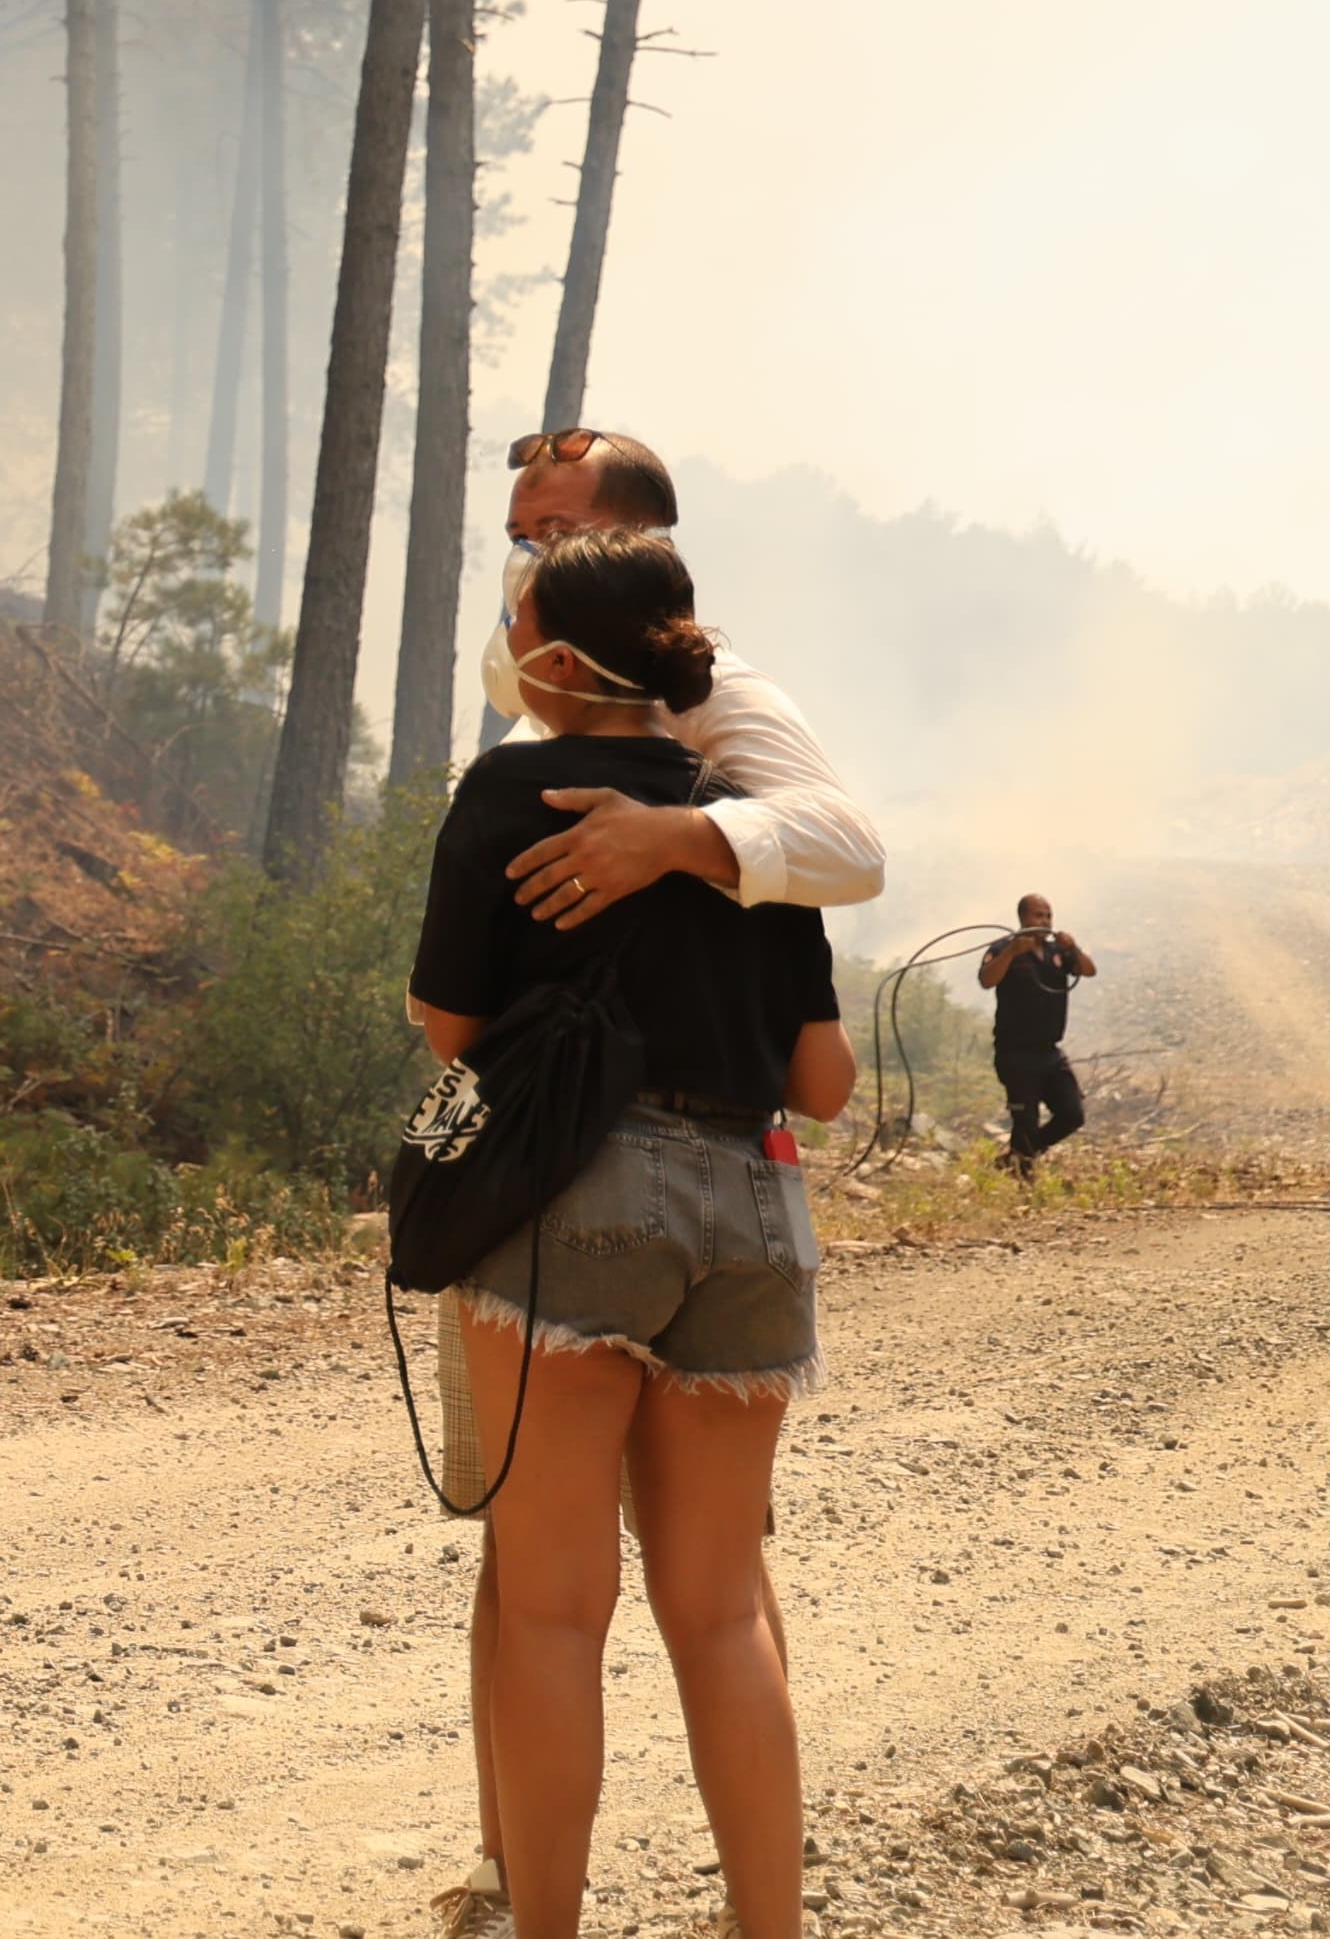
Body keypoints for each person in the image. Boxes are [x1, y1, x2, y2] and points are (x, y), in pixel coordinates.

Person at [411, 528, 856, 1939]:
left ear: (548, 658)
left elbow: (446, 1026)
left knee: (551, 1608)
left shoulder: (503, 790)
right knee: (719, 1614)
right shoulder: (741, 820)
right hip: (748, 1213)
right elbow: (821, 1082)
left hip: (571, 1202)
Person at [481, 429, 886, 929]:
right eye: (518, 537)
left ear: (642, 546)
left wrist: (669, 837)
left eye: (557, 532)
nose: (526, 559)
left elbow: (852, 850)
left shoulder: (714, 693)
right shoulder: (533, 729)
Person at [980, 895, 1097, 1172]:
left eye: (1048, 916)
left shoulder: (1058, 950)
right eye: (1038, 916)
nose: (1044, 922)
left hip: (1049, 1052)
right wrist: (1011, 953)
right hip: (1015, 1053)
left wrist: (1075, 948)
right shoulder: (1003, 948)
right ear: (1023, 919)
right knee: (1025, 1120)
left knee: (1072, 1114)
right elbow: (987, 979)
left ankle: (1016, 1158)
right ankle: (1023, 1179)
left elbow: (1089, 970)